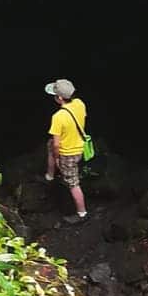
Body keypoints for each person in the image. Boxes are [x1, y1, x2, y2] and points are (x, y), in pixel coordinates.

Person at [44, 79, 90, 222]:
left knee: (73, 184)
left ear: (59, 98)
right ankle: (50, 176)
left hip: (68, 153)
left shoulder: (58, 117)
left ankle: (82, 214)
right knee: (49, 144)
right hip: (79, 146)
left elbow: (57, 145)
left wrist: (58, 158)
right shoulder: (80, 104)